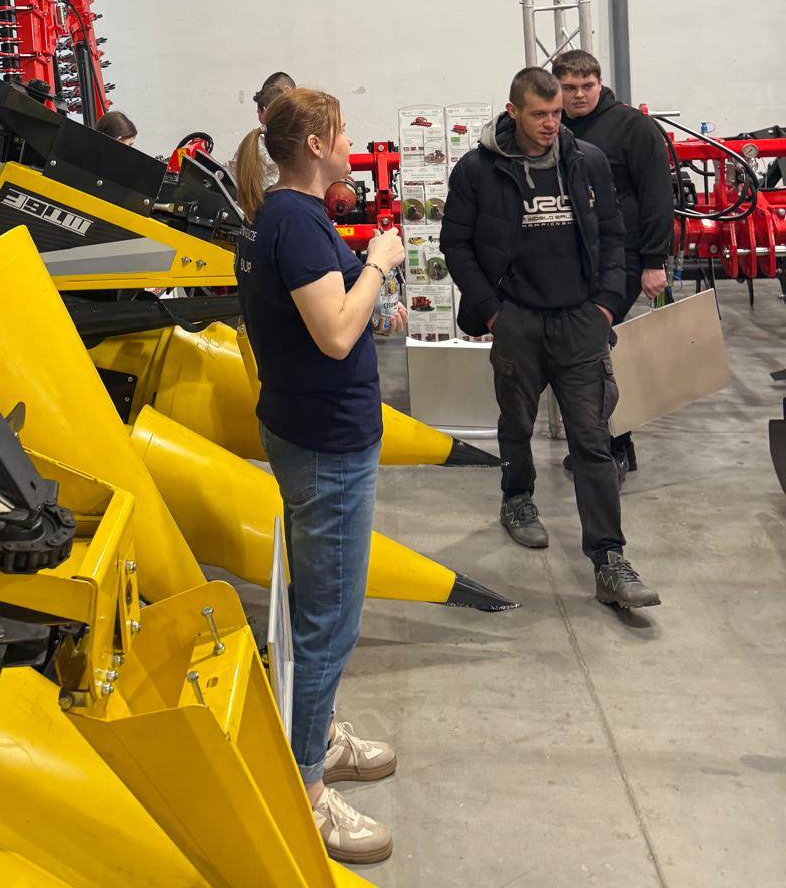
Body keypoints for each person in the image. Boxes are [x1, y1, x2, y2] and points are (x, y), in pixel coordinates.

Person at [234, 88, 405, 867]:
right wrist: (377, 265)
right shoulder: (298, 224)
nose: (350, 142)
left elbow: (325, 319)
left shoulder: (282, 217)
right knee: (329, 620)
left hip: (308, 428)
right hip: (326, 443)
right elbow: (334, 334)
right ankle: (305, 790)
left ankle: (320, 736)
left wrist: (367, 293)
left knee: (320, 605)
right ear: (313, 145)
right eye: (341, 132)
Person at [439, 66, 660, 611]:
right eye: (539, 114)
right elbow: (455, 245)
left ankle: (609, 559)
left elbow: (614, 236)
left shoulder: (586, 161)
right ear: (513, 111)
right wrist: (494, 314)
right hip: (517, 323)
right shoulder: (477, 170)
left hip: (581, 323)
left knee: (593, 440)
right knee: (516, 424)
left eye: (557, 113)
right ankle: (517, 497)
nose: (551, 124)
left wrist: (605, 306)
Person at [553, 50, 674, 474]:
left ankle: (614, 449)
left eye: (587, 86)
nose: (579, 95)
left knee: (595, 349)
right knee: (589, 350)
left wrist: (654, 261)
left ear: (600, 83)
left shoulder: (632, 127)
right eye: (569, 88)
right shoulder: (553, 128)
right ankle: (610, 444)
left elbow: (657, 195)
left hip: (624, 257)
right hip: (575, 260)